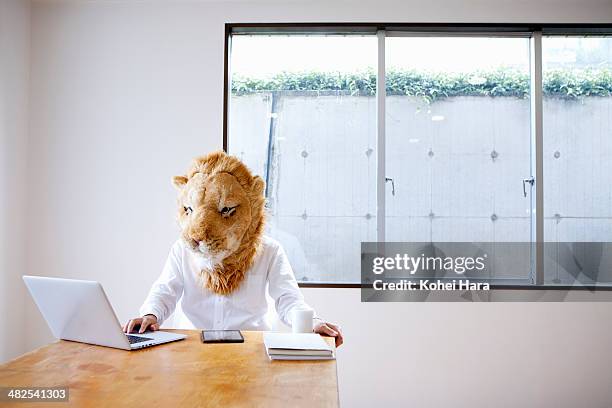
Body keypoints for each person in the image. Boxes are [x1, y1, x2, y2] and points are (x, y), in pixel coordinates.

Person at [123, 152, 343, 347]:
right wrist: (150, 315)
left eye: (226, 210)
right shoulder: (182, 250)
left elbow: (288, 299)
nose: (198, 235)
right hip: (191, 348)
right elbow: (165, 290)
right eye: (190, 209)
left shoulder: (269, 250)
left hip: (250, 348)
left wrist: (313, 323)